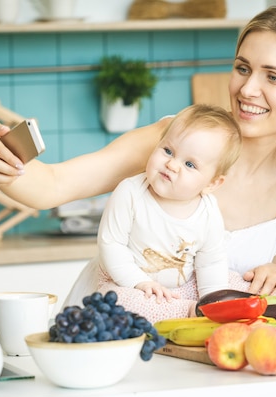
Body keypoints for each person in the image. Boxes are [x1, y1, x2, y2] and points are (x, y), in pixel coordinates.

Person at [0, 6, 276, 309]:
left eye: (273, 76)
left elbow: (260, 285)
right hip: (112, 331)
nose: (248, 89)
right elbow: (52, 186)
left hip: (200, 356)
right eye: (243, 68)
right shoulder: (173, 141)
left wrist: (275, 275)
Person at [95, 104, 242, 322]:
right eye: (168, 151)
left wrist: (214, 300)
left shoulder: (208, 210)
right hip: (127, 282)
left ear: (212, 182)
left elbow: (210, 262)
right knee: (115, 303)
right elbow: (111, 245)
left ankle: (204, 311)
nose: (172, 165)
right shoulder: (131, 192)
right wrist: (140, 283)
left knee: (235, 283)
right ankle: (186, 312)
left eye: (190, 164)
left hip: (180, 288)